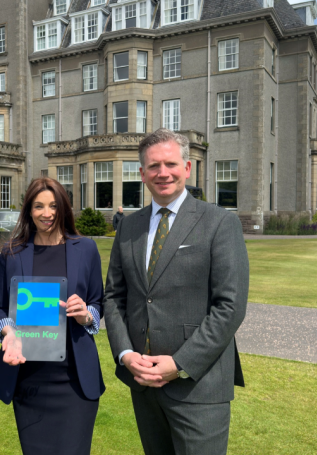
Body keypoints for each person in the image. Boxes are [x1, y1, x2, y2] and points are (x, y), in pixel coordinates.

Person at [103, 129, 249, 455]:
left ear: (187, 168)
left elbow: (230, 306)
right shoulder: (129, 226)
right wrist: (126, 355)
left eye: (170, 163)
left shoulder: (219, 222)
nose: (162, 173)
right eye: (153, 166)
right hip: (142, 383)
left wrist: (180, 363)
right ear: (142, 174)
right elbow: (114, 297)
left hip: (198, 385)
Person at [0, 177, 105, 455]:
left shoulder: (86, 249)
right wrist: (8, 331)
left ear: (63, 208)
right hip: (29, 378)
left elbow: (99, 303)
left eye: (53, 206)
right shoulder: (12, 252)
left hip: (74, 381)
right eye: (39, 206)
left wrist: (86, 316)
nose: (47, 213)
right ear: (29, 210)